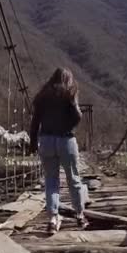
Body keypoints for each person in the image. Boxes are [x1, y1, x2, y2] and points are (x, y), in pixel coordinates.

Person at [29, 67, 89, 234]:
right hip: (66, 140)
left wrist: (33, 142)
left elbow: (35, 123)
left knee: (51, 181)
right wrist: (67, 127)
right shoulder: (70, 92)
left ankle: (53, 219)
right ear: (67, 79)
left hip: (46, 140)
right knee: (73, 179)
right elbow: (78, 116)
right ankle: (80, 215)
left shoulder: (42, 96)